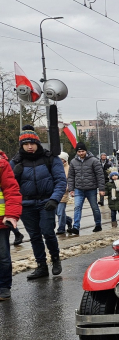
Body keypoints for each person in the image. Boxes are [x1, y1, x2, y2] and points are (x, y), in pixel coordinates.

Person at [12, 127, 67, 279]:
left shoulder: (50, 158)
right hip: (27, 204)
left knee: (48, 232)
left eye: (32, 143)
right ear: (21, 145)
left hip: (46, 202)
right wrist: (15, 175)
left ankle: (55, 259)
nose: (30, 146)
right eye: (26, 143)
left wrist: (54, 199)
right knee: (34, 236)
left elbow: (61, 181)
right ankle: (41, 266)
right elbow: (9, 185)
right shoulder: (16, 161)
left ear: (38, 143)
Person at [67, 142, 105, 236]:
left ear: (86, 151)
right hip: (79, 189)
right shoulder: (73, 162)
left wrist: (101, 189)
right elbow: (71, 176)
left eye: (82, 151)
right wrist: (71, 189)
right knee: (77, 207)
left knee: (94, 207)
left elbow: (100, 175)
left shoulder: (94, 161)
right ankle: (76, 227)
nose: (81, 153)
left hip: (91, 189)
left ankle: (98, 224)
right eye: (79, 151)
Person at [0, 148, 22, 300]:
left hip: (0, 219)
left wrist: (12, 214)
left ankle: (3, 286)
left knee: (2, 256)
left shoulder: (2, 164)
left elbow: (11, 190)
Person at [55, 152, 73, 235]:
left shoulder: (69, 169)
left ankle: (61, 228)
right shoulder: (55, 167)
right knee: (56, 211)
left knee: (60, 212)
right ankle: (68, 220)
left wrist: (67, 188)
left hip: (63, 193)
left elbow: (71, 180)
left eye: (61, 159)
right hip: (54, 193)